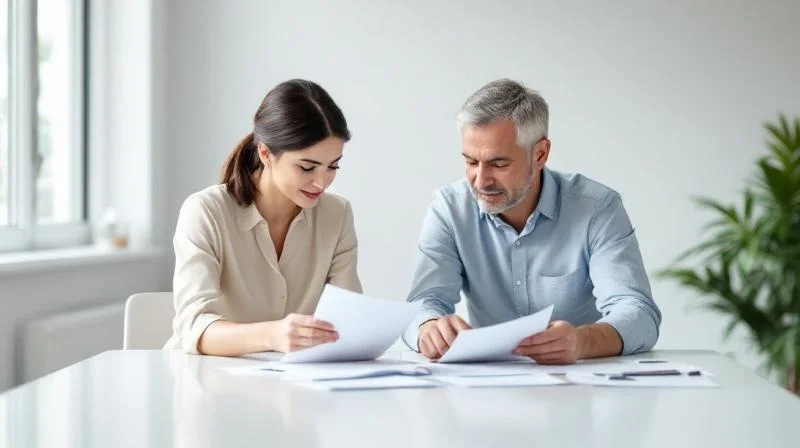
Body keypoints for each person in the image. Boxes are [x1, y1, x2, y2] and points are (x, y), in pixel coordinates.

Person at [402, 79, 661, 364]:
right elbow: (422, 306)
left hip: (576, 387)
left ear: (540, 154)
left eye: (499, 164)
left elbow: (639, 315)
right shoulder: (450, 209)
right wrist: (429, 328)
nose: (480, 180)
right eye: (471, 162)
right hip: (484, 388)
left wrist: (581, 342)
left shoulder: (597, 208)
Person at [165, 79, 361, 356]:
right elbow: (195, 326)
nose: (322, 182)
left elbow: (349, 318)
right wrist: (273, 335)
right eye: (307, 167)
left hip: (293, 385)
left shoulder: (337, 215)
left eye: (333, 166)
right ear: (266, 153)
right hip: (202, 381)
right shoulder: (206, 212)